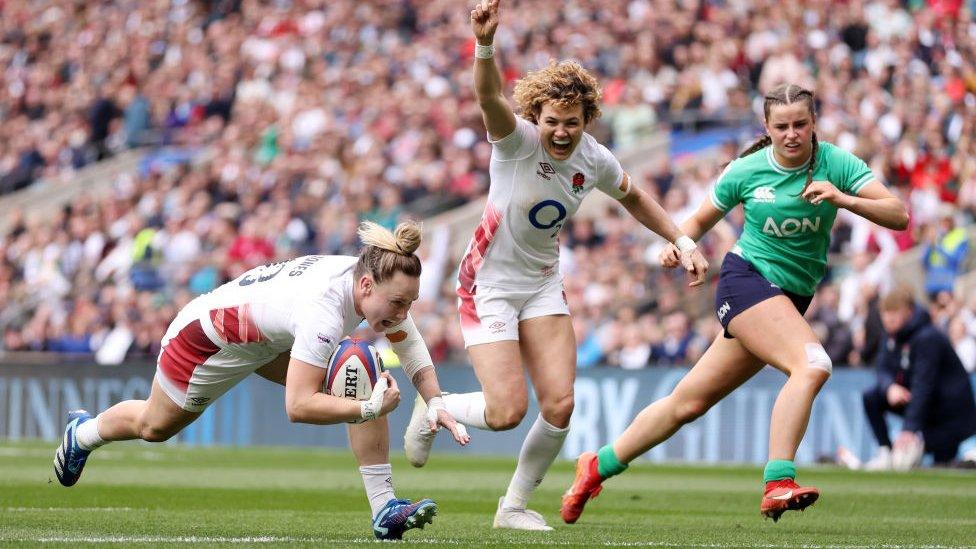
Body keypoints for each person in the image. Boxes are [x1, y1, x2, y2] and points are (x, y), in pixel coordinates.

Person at [402, 0, 708, 532]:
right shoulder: (516, 142)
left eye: (571, 122)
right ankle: (436, 407)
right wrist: (484, 44)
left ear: (588, 119)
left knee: (561, 405)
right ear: (534, 117)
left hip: (542, 284)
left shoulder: (595, 158)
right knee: (505, 413)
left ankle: (513, 508)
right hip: (488, 283)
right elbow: (486, 94)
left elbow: (634, 198)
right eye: (551, 122)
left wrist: (681, 237)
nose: (561, 132)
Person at [560, 83, 910, 524]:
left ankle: (596, 467)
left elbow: (899, 214)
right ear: (767, 127)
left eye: (801, 124)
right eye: (781, 126)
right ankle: (778, 480)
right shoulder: (746, 170)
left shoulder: (836, 163)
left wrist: (843, 198)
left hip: (788, 298)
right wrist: (679, 246)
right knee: (813, 365)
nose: (792, 134)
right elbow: (697, 222)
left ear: (814, 123)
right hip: (747, 283)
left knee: (687, 403)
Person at [53, 221, 470, 541]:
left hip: (265, 335)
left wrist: (436, 401)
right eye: (398, 303)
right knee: (154, 426)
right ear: (366, 286)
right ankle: (84, 434)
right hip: (206, 339)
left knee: (360, 365)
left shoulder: (374, 276)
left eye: (409, 303)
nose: (401, 313)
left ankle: (384, 510)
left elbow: (409, 343)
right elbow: (298, 405)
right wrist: (368, 409)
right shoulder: (325, 310)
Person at [861, 284, 976, 470]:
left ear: (908, 311)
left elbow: (924, 386)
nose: (888, 319)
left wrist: (909, 429)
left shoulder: (928, 337)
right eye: (885, 313)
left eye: (894, 312)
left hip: (949, 416)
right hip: (924, 408)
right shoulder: (891, 336)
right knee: (871, 396)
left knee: (941, 466)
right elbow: (881, 368)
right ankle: (885, 452)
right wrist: (890, 386)